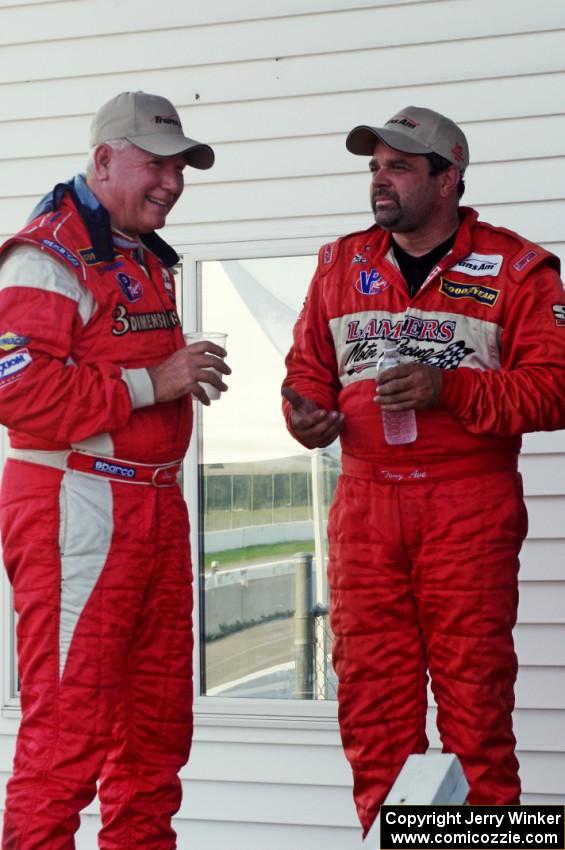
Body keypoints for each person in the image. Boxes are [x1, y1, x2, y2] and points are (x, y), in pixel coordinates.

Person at [282, 106, 565, 835]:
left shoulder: (518, 267)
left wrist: (451, 389)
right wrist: (304, 416)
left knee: (476, 715)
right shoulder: (339, 264)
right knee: (374, 713)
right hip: (364, 506)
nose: (380, 181)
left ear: (448, 178)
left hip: (466, 505)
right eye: (374, 167)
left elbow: (556, 388)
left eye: (399, 167)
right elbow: (304, 375)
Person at [0, 90, 230, 849]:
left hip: (154, 512)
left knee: (157, 738)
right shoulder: (45, 253)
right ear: (103, 160)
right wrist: (150, 386)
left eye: (180, 167)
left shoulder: (136, 252)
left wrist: (173, 381)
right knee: (68, 738)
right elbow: (18, 391)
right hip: (77, 510)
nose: (170, 181)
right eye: (155, 163)